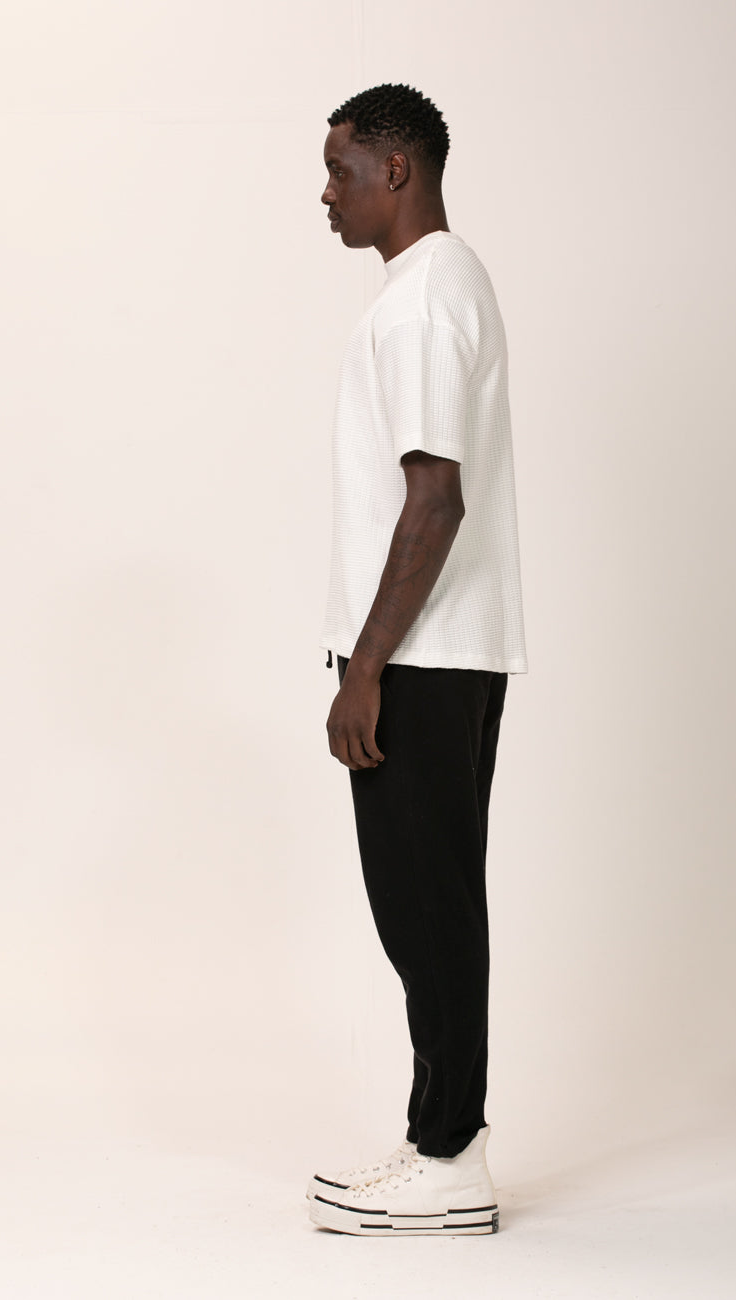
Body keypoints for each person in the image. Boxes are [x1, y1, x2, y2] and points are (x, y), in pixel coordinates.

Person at [306, 83, 527, 1237]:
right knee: (428, 903)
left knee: (424, 907)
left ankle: (448, 1158)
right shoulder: (436, 286)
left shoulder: (425, 302)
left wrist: (365, 668)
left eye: (339, 169)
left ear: (396, 170)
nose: (325, 193)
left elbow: (432, 501)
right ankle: (442, 1140)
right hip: (436, 652)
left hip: (421, 658)